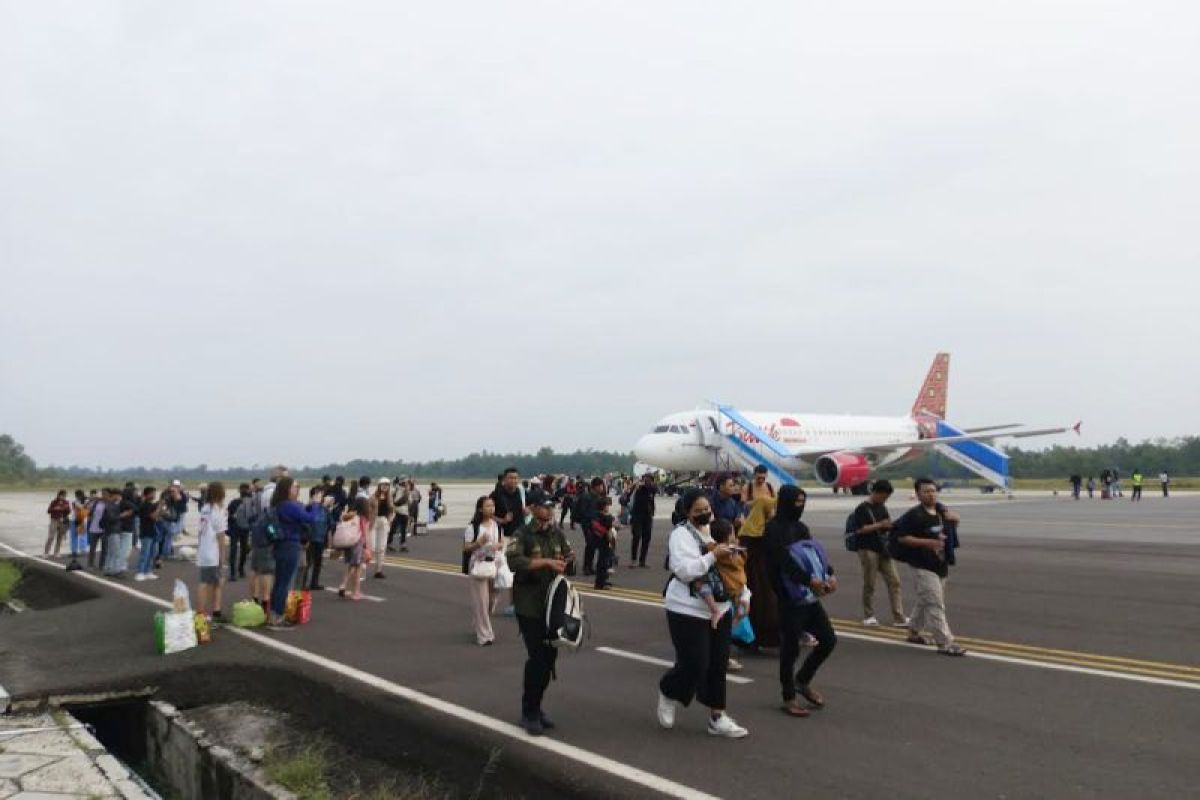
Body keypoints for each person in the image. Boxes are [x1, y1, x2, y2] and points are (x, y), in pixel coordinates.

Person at [657, 489, 750, 738]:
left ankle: (717, 717)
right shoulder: (680, 535)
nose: (704, 514)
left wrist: (745, 595)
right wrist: (711, 556)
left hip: (721, 607)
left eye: (707, 509)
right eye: (698, 511)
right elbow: (684, 571)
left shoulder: (719, 530)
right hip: (687, 608)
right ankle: (669, 690)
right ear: (687, 513)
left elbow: (734, 568)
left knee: (718, 664)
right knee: (695, 663)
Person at [765, 484, 838, 716]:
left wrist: (829, 574)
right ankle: (788, 697)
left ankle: (802, 680)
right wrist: (807, 580)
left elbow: (813, 554)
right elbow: (782, 562)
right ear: (785, 502)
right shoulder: (773, 529)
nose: (801, 506)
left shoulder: (801, 528)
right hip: (789, 598)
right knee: (791, 649)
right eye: (797, 502)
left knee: (828, 640)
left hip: (809, 597)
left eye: (803, 502)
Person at [505, 498, 575, 736]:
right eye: (545, 506)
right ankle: (529, 711)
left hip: (552, 605)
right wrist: (544, 561)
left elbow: (568, 557)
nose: (549, 510)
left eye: (552, 506)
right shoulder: (523, 534)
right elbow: (513, 561)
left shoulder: (557, 533)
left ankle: (536, 705)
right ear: (534, 509)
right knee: (537, 658)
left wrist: (569, 560)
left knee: (549, 658)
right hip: (529, 606)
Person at [890, 477, 966, 656]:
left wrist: (955, 519)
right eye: (926, 491)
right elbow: (902, 537)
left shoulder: (941, 511)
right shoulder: (914, 515)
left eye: (933, 491)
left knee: (925, 601)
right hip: (922, 565)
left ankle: (913, 632)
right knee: (935, 604)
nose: (931, 494)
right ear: (917, 494)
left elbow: (952, 527)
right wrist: (928, 543)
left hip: (940, 564)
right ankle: (945, 642)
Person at [268, 477, 323, 629]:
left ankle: (273, 614)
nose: (297, 489)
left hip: (280, 544)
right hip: (290, 544)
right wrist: (317, 504)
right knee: (284, 583)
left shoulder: (279, 504)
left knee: (279, 581)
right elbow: (311, 518)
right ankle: (278, 617)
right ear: (287, 489)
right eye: (294, 486)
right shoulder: (289, 505)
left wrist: (312, 505)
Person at [851, 480, 907, 627]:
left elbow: (886, 523)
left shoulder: (882, 507)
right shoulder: (862, 509)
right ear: (875, 492)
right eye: (883, 496)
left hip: (883, 549)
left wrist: (889, 526)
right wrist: (880, 525)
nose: (884, 499)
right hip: (867, 549)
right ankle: (868, 615)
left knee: (894, 581)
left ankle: (899, 616)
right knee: (870, 583)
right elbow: (860, 529)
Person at [738, 488, 780, 650]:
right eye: (771, 509)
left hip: (760, 574)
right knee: (764, 607)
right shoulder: (759, 530)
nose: (773, 513)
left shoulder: (752, 528)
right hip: (758, 575)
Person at [692, 518, 747, 629]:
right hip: (737, 586)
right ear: (729, 536)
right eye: (733, 533)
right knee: (744, 607)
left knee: (700, 584)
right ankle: (735, 621)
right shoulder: (732, 551)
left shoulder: (715, 548)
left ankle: (716, 611)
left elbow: (708, 547)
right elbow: (740, 561)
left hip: (727, 585)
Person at [463, 496, 502, 646]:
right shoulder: (473, 527)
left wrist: (499, 545)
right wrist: (479, 543)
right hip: (478, 565)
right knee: (481, 601)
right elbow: (466, 547)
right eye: (487, 506)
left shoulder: (496, 525)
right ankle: (485, 635)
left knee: (491, 599)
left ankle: (478, 622)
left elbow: (500, 542)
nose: (491, 509)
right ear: (480, 509)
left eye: (492, 506)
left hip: (494, 564)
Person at [195, 482, 228, 622]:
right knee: (207, 583)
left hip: (204, 549)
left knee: (215, 582)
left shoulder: (205, 508)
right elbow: (221, 536)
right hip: (212, 552)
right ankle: (201, 614)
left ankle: (216, 610)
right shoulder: (216, 511)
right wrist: (222, 557)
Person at [337, 497, 370, 600]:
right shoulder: (363, 518)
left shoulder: (350, 515)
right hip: (358, 543)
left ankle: (343, 585)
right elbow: (364, 533)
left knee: (351, 566)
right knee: (358, 569)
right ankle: (356, 592)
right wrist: (367, 547)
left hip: (349, 543)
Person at [576, 477, 606, 575]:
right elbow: (583, 511)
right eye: (601, 485)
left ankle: (589, 566)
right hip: (587, 524)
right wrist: (592, 518)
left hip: (595, 524)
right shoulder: (586, 497)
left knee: (593, 545)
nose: (602, 488)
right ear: (596, 486)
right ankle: (586, 567)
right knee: (590, 544)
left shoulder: (597, 497)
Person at [303, 486, 330, 590]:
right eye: (318, 494)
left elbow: (329, 523)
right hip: (310, 538)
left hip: (320, 538)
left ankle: (314, 582)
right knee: (308, 562)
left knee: (318, 562)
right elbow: (306, 522)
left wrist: (328, 537)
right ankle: (303, 583)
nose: (320, 496)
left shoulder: (324, 509)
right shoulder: (308, 507)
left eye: (321, 494)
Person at [628, 473, 657, 568]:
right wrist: (635, 485)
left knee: (646, 538)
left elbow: (653, 489)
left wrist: (646, 485)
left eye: (649, 480)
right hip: (637, 515)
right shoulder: (639, 488)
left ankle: (642, 560)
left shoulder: (652, 489)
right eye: (645, 479)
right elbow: (628, 492)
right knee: (636, 536)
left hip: (648, 516)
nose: (647, 481)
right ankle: (633, 560)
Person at [134, 486, 161, 581]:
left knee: (152, 553)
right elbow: (153, 517)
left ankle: (148, 571)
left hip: (152, 531)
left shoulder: (150, 504)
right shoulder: (145, 505)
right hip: (146, 532)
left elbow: (157, 518)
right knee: (145, 553)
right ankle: (140, 572)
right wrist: (159, 507)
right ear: (148, 494)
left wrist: (159, 510)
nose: (154, 495)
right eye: (153, 493)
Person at [590, 495, 618, 590]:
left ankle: (603, 580)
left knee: (604, 561)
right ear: (603, 506)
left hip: (600, 540)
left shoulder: (597, 516)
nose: (608, 507)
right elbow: (610, 528)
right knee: (603, 562)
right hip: (605, 541)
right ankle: (600, 583)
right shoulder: (606, 517)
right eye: (607, 505)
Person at [227, 484, 252, 581]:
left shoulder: (234, 502)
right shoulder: (250, 503)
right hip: (244, 528)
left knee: (233, 550)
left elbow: (228, 515)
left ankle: (233, 573)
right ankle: (241, 569)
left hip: (234, 528)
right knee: (243, 549)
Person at [370, 479, 394, 579]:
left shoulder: (389, 497)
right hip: (373, 521)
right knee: (372, 546)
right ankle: (361, 568)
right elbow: (368, 508)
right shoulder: (373, 496)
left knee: (381, 547)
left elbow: (392, 510)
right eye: (383, 485)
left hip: (383, 521)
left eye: (387, 485)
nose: (385, 487)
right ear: (379, 485)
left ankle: (378, 570)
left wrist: (389, 521)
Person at [45, 490, 71, 556]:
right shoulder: (54, 502)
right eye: (62, 496)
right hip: (54, 520)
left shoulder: (66, 502)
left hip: (62, 521)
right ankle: (46, 552)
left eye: (65, 496)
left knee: (60, 537)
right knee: (51, 536)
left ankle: (56, 552)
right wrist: (55, 508)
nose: (63, 497)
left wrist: (65, 508)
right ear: (59, 495)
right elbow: (48, 510)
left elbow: (68, 511)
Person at [86, 490, 107, 569]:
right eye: (101, 495)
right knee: (92, 548)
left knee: (104, 548)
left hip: (104, 529)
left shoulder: (108, 504)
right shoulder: (95, 503)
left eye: (103, 495)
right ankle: (90, 564)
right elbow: (89, 513)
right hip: (94, 528)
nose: (101, 497)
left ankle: (102, 565)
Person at [392, 478, 411, 552]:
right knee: (393, 529)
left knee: (403, 530)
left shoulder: (406, 491)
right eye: (405, 483)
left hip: (404, 512)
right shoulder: (397, 490)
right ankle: (389, 543)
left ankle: (403, 544)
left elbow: (409, 502)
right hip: (397, 512)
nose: (406, 484)